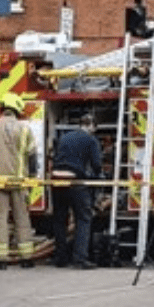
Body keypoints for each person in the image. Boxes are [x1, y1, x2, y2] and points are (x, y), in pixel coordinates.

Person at [0, 93, 38, 270]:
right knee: (22, 218)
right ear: (17, 109)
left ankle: (0, 259)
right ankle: (26, 258)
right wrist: (32, 179)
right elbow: (32, 157)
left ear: (2, 108)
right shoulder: (25, 129)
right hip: (19, 181)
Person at [51, 114, 102, 269]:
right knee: (83, 218)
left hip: (56, 180)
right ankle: (80, 259)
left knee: (60, 219)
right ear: (92, 126)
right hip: (75, 182)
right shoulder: (91, 140)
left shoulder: (65, 137)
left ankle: (61, 258)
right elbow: (97, 164)